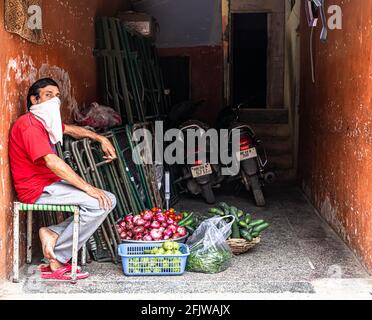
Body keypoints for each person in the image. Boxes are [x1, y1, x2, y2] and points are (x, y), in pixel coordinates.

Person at [9, 78, 118, 280]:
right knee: (101, 202)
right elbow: (52, 161)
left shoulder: (44, 121)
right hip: (36, 190)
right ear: (34, 99)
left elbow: (70, 129)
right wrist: (87, 188)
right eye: (48, 95)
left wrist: (100, 138)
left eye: (57, 96)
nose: (54, 100)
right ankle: (56, 257)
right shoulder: (29, 126)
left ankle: (53, 233)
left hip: (48, 184)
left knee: (107, 199)